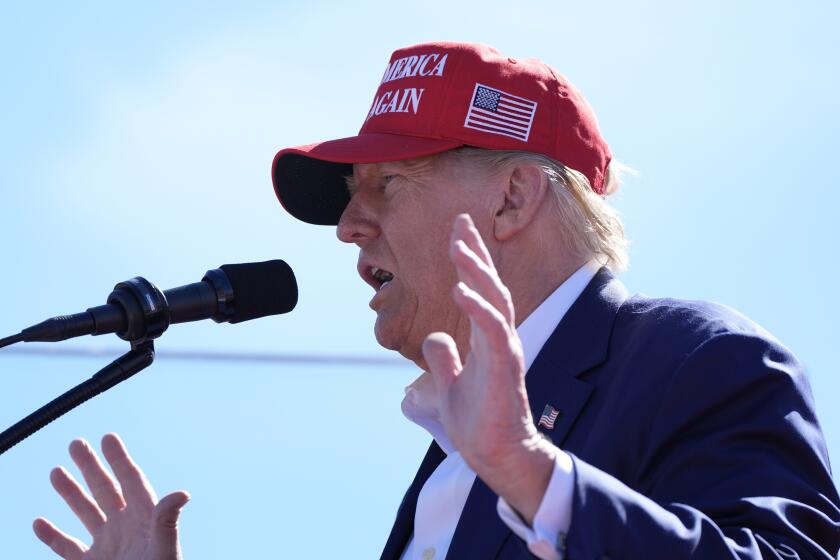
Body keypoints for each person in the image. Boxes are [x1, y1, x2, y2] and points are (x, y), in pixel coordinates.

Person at [33, 41, 839, 560]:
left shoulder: (698, 359)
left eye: (389, 184)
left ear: (513, 199)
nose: (350, 225)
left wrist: (533, 475)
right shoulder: (451, 460)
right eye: (353, 195)